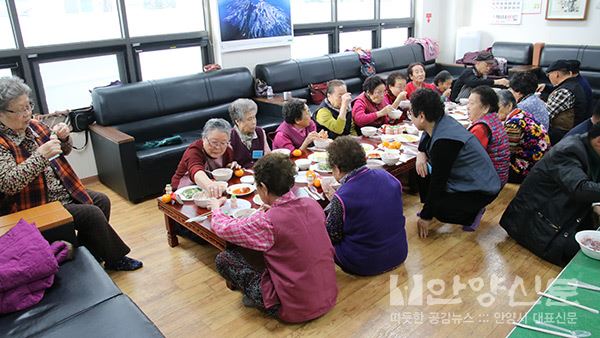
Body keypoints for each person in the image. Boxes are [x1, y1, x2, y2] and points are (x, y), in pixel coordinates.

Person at [0, 76, 141, 271]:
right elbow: (8, 183)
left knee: (101, 200)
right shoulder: (2, 142)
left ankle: (89, 254)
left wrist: (64, 138)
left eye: (28, 106)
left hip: (61, 190)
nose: (27, 113)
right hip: (33, 203)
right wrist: (40, 156)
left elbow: (63, 150)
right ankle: (114, 258)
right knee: (91, 214)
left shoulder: (34, 126)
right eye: (20, 110)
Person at [210, 153, 338, 323]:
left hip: (294, 308)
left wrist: (215, 209)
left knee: (224, 259)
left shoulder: (267, 221)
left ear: (263, 187)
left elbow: (223, 228)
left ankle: (262, 299)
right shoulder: (312, 204)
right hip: (328, 295)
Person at [500, 123, 600, 266]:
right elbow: (580, 188)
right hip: (536, 223)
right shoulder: (570, 150)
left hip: (563, 213)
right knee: (588, 260)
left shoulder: (591, 149)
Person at [412, 88, 501, 237]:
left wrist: (426, 216)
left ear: (421, 116)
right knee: (423, 171)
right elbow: (426, 133)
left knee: (439, 211)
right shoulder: (441, 120)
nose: (410, 116)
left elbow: (438, 182)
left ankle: (472, 213)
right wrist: (420, 152)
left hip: (481, 189)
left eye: (411, 113)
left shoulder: (444, 142)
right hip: (469, 179)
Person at [323, 136, 408, 275]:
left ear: (337, 169)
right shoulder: (387, 176)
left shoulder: (343, 196)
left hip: (364, 263)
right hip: (399, 252)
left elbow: (332, 235)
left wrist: (332, 203)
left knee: (318, 235)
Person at [171, 118, 240, 197]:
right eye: (214, 142)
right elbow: (196, 170)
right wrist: (210, 185)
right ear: (204, 138)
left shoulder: (228, 149)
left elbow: (222, 168)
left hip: (210, 191)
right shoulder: (194, 150)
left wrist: (230, 166)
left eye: (223, 143)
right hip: (183, 192)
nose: (218, 147)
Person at [497, 90, 550, 184]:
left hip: (527, 170)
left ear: (509, 106)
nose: (495, 112)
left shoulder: (513, 124)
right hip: (541, 165)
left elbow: (505, 153)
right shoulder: (522, 114)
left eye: (497, 108)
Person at [466, 86, 511, 186]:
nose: (467, 107)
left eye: (472, 103)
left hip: (489, 182)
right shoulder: (494, 119)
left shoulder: (481, 128)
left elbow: (468, 158)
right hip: (500, 176)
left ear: (486, 107)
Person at [545, 59, 589, 144]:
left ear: (556, 74)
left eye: (549, 75)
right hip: (572, 132)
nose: (549, 78)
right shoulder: (574, 84)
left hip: (562, 136)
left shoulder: (564, 91)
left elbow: (546, 116)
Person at [228, 98, 270, 168]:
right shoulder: (230, 137)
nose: (254, 122)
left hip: (260, 172)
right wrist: (232, 165)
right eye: (249, 119)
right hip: (241, 176)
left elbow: (268, 155)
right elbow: (227, 165)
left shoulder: (260, 132)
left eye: (254, 117)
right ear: (238, 121)